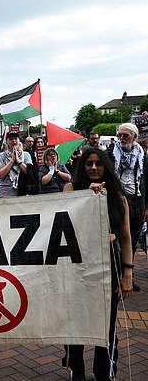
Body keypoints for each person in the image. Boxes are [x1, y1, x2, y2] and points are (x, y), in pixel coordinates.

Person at [62, 148, 133, 381]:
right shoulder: (71, 190)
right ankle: (76, 368)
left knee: (107, 321)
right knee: (77, 319)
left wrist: (127, 275)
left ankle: (104, 370)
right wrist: (85, 200)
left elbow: (125, 237)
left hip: (108, 264)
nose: (93, 168)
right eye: (88, 163)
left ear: (106, 167)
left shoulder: (118, 196)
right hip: (77, 266)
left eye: (98, 164)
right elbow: (62, 224)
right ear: (81, 167)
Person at [106, 123, 148, 292]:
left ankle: (127, 275)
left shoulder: (143, 157)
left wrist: (146, 207)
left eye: (126, 135)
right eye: (120, 135)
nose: (122, 138)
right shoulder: (109, 155)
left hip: (136, 203)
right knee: (116, 239)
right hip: (115, 202)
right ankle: (114, 276)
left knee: (131, 239)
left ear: (134, 137)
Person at [0, 130, 32, 198]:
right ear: (7, 141)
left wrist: (18, 161)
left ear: (19, 141)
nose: (13, 141)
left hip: (22, 191)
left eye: (16, 138)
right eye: (11, 139)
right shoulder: (2, 156)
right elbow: (0, 175)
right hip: (5, 192)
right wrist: (12, 161)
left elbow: (30, 172)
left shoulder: (26, 155)